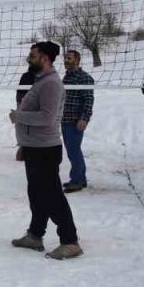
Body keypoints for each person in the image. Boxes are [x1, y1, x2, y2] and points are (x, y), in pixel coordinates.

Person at [9, 42, 82, 260]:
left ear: (45, 58)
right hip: (34, 148)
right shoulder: (41, 81)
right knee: (37, 195)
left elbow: (47, 118)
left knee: (52, 197)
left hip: (45, 150)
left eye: (33, 55)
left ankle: (70, 241)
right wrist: (24, 145)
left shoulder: (51, 84)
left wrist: (18, 116)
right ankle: (35, 235)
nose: (28, 58)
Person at [60, 50, 95, 193]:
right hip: (65, 119)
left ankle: (77, 181)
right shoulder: (66, 77)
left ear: (77, 60)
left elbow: (88, 100)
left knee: (74, 151)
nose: (66, 60)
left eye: (69, 58)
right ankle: (80, 178)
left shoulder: (85, 78)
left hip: (76, 121)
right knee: (71, 151)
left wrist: (84, 119)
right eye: (65, 58)